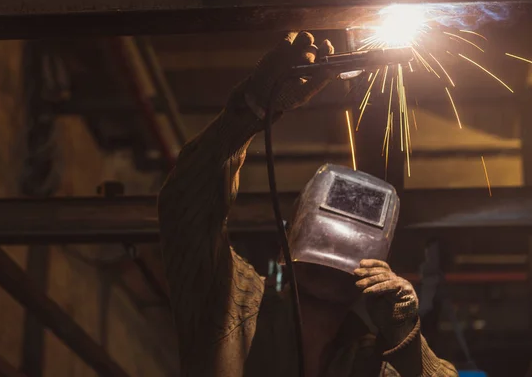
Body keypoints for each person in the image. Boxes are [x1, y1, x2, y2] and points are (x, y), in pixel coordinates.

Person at [158, 31, 458, 377]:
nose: (334, 256)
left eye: (350, 245)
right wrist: (252, 108)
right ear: (287, 245)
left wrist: (406, 334)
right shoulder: (228, 305)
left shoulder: (377, 366)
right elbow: (185, 206)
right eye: (326, 239)